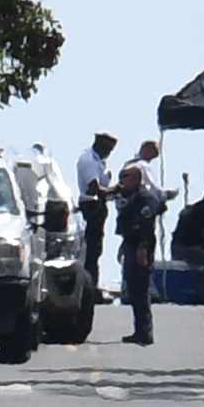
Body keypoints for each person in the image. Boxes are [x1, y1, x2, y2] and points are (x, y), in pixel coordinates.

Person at [108, 142, 166, 346]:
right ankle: (139, 330)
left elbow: (145, 225)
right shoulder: (132, 198)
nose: (122, 181)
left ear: (136, 179)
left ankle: (145, 332)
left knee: (140, 290)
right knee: (134, 289)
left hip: (141, 247)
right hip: (131, 245)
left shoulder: (145, 199)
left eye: (126, 177)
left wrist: (142, 248)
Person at [74, 130, 116, 308]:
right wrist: (118, 189)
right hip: (91, 206)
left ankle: (92, 287)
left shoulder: (99, 161)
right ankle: (89, 291)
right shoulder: (88, 160)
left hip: (98, 206)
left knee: (96, 251)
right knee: (90, 251)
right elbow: (94, 188)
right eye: (108, 148)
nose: (110, 152)